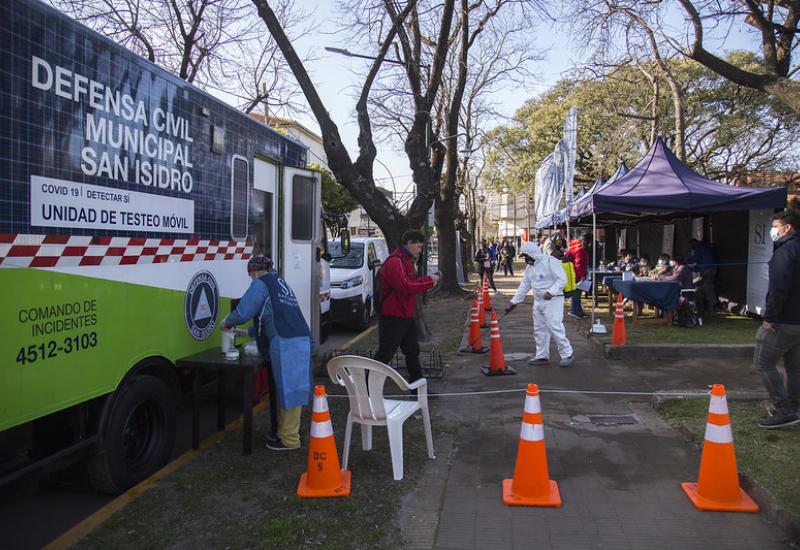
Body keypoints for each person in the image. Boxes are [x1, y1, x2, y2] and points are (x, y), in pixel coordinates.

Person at [222, 256, 312, 451]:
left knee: (289, 390)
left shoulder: (261, 284)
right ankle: (284, 432)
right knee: (292, 389)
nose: (251, 278)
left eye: (251, 274)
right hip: (300, 338)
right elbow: (270, 315)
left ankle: (289, 439)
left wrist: (227, 322)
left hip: (286, 341)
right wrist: (245, 332)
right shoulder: (280, 283)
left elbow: (244, 311)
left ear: (255, 271)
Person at [753, 210, 800, 429]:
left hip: (784, 320)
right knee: (794, 367)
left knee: (763, 362)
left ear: (787, 228)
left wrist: (770, 317)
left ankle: (783, 409)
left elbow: (779, 287)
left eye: (775, 226)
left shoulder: (786, 251)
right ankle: (794, 406)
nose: (773, 231)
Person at [375, 230, 440, 384]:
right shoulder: (395, 262)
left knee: (412, 351)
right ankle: (367, 390)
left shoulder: (407, 261)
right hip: (393, 316)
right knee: (385, 354)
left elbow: (411, 282)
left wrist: (429, 279)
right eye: (418, 246)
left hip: (405, 314)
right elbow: (405, 286)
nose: (420, 250)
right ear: (409, 243)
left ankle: (417, 388)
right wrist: (429, 281)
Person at [506, 242, 574, 366]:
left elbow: (562, 279)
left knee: (554, 326)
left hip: (553, 300)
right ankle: (542, 355)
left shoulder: (550, 262)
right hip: (538, 301)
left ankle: (567, 353)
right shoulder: (530, 268)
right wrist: (514, 301)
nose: (525, 259)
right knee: (539, 329)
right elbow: (524, 286)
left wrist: (551, 292)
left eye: (526, 256)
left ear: (532, 254)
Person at [565, 233, 591, 319]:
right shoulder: (580, 250)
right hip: (575, 274)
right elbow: (578, 264)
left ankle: (578, 310)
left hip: (573, 273)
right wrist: (582, 276)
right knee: (576, 293)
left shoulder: (576, 247)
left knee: (578, 293)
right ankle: (574, 311)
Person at [688, 238, 717, 312]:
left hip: (707, 270)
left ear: (694, 243)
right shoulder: (705, 247)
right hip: (710, 269)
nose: (691, 248)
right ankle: (707, 307)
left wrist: (686, 262)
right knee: (704, 287)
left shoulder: (700, 248)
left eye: (691, 246)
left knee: (706, 287)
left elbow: (694, 259)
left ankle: (711, 306)